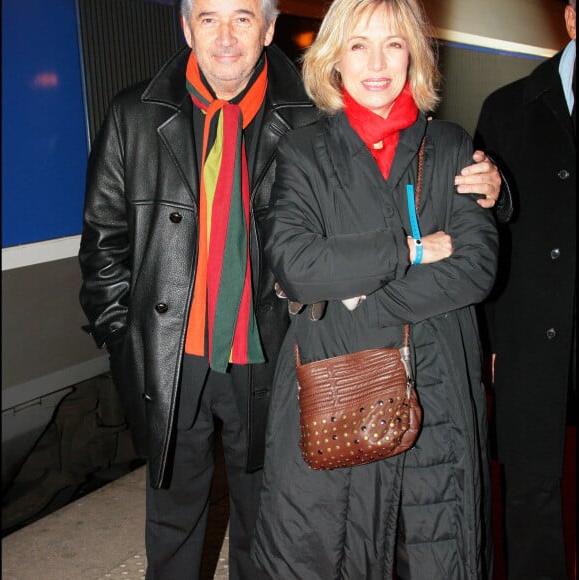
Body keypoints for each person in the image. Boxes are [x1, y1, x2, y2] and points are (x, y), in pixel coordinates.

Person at [78, 0, 505, 578]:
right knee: (173, 525)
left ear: (270, 29)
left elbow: (439, 209)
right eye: (208, 18)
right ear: (186, 27)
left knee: (266, 524)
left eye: (244, 18)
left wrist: (499, 190)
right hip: (174, 356)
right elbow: (105, 242)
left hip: (269, 354)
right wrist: (122, 338)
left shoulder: (301, 115)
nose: (225, 37)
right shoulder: (133, 115)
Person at [250, 0, 499, 578]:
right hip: (332, 394)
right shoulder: (303, 152)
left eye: (393, 43)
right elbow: (296, 264)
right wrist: (406, 252)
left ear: (414, 53)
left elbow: (477, 266)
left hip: (435, 395)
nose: (377, 62)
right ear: (334, 57)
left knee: (434, 552)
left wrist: (361, 300)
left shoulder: (453, 147)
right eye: (359, 44)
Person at [474, 1, 576, 578]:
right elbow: (484, 234)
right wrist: (488, 334)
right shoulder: (507, 108)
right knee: (530, 488)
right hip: (528, 328)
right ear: (570, 19)